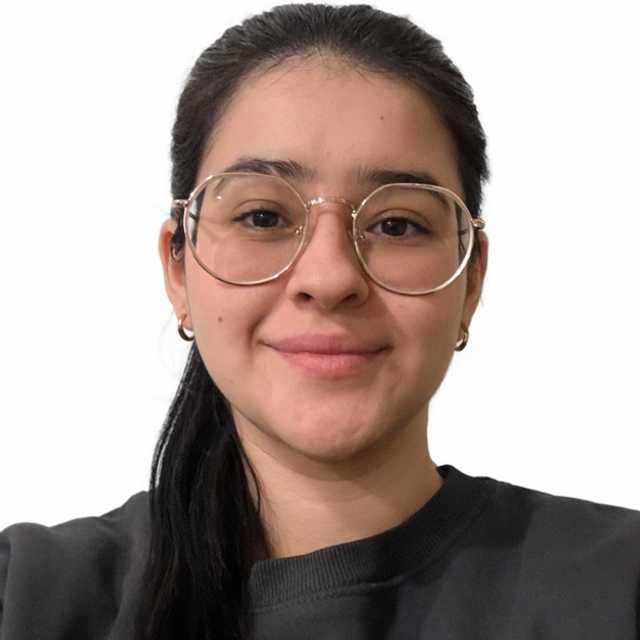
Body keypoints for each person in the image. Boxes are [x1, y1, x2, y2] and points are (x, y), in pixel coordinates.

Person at [1, 4, 639, 639]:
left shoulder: (618, 589)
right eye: (262, 217)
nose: (330, 278)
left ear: (470, 279)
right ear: (178, 266)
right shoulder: (26, 600)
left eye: (397, 225)